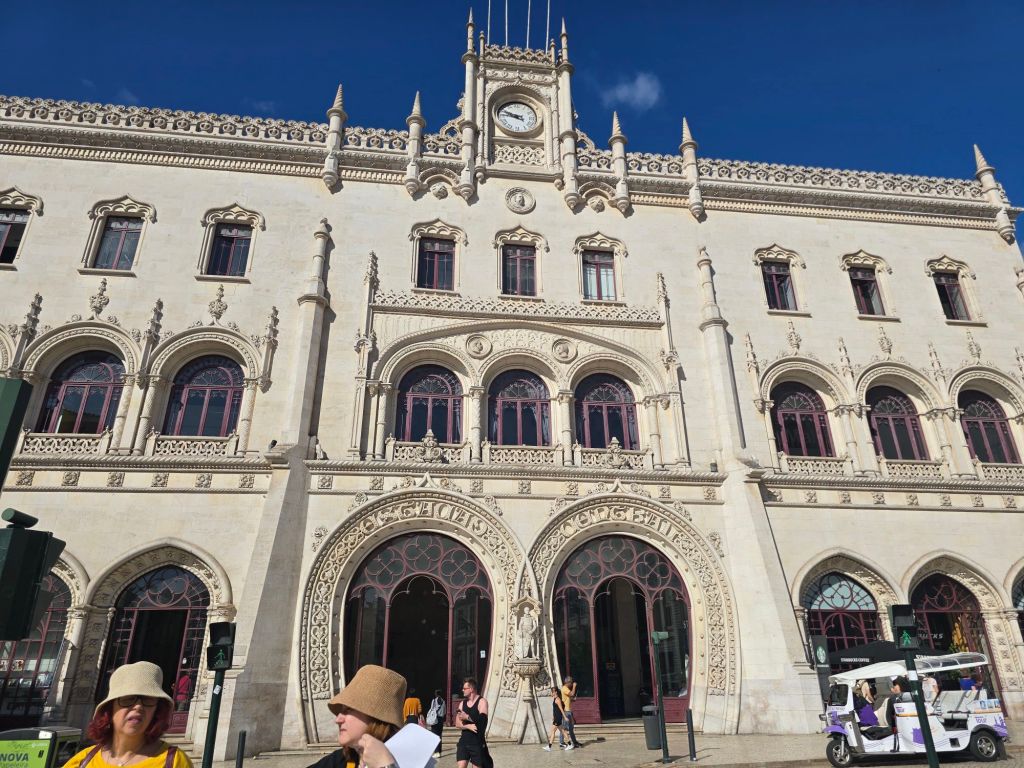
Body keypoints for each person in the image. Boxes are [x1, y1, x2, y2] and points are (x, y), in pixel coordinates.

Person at [62, 661, 192, 768]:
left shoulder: (175, 762)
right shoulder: (82, 761)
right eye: (128, 699)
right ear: (110, 709)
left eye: (148, 700)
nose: (138, 706)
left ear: (157, 711)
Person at [307, 664, 406, 768]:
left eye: (349, 710)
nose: (338, 720)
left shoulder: (408, 761)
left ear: (376, 719)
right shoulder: (343, 758)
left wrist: (386, 766)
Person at [455, 677, 492, 768]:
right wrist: (468, 726)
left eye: (464, 688)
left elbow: (482, 721)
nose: (462, 690)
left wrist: (467, 717)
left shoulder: (482, 702)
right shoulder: (462, 704)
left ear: (471, 689)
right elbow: (457, 724)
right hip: (464, 741)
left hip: (477, 742)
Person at [542, 687, 571, 751]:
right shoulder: (555, 699)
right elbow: (555, 709)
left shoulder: (557, 700)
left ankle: (549, 747)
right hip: (556, 717)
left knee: (553, 731)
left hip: (558, 718)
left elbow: (561, 709)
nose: (551, 693)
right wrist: (553, 716)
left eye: (552, 692)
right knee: (563, 731)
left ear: (556, 692)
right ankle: (569, 744)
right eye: (551, 692)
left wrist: (565, 717)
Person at [560, 676, 581, 748]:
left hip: (568, 710)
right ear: (568, 682)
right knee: (564, 728)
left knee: (571, 728)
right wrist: (574, 687)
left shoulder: (566, 689)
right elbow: (572, 694)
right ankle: (561, 742)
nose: (572, 684)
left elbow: (567, 698)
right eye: (571, 683)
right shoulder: (564, 688)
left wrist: (572, 699)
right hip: (566, 711)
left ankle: (574, 742)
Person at [426, 689, 446, 758]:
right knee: (439, 735)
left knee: (434, 736)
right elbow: (444, 712)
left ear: (436, 694)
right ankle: (439, 751)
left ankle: (436, 752)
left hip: (435, 719)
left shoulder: (434, 701)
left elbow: (432, 709)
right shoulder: (443, 701)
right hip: (440, 720)